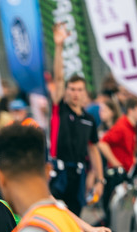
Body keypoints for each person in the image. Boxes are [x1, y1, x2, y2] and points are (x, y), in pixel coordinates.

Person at [50, 23, 104, 217]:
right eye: (71, 89)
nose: (75, 93)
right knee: (55, 216)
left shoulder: (89, 119)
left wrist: (99, 180)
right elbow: (58, 78)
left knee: (74, 217)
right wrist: (59, 46)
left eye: (79, 89)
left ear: (85, 93)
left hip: (78, 175)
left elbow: (94, 148)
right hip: (58, 172)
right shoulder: (60, 109)